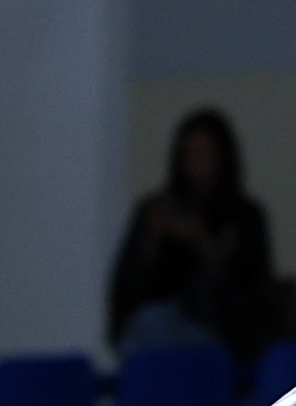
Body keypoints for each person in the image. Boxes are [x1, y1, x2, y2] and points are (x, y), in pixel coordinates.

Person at [107, 110, 275, 360]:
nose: (197, 165)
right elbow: (127, 294)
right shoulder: (156, 211)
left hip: (219, 338)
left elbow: (249, 298)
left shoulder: (243, 217)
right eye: (189, 155)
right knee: (149, 327)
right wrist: (152, 238)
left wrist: (205, 244)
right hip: (153, 332)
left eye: (205, 155)